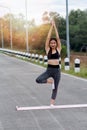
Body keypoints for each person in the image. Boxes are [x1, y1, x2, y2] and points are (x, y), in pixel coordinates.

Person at [36, 20, 61, 106]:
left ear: (56, 44)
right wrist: (51, 26)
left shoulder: (58, 49)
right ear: (49, 44)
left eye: (54, 43)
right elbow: (47, 38)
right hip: (49, 70)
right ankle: (50, 81)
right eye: (51, 43)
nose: (53, 44)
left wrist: (55, 27)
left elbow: (57, 38)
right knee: (38, 80)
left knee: (55, 88)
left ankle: (52, 104)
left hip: (57, 71)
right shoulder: (47, 49)